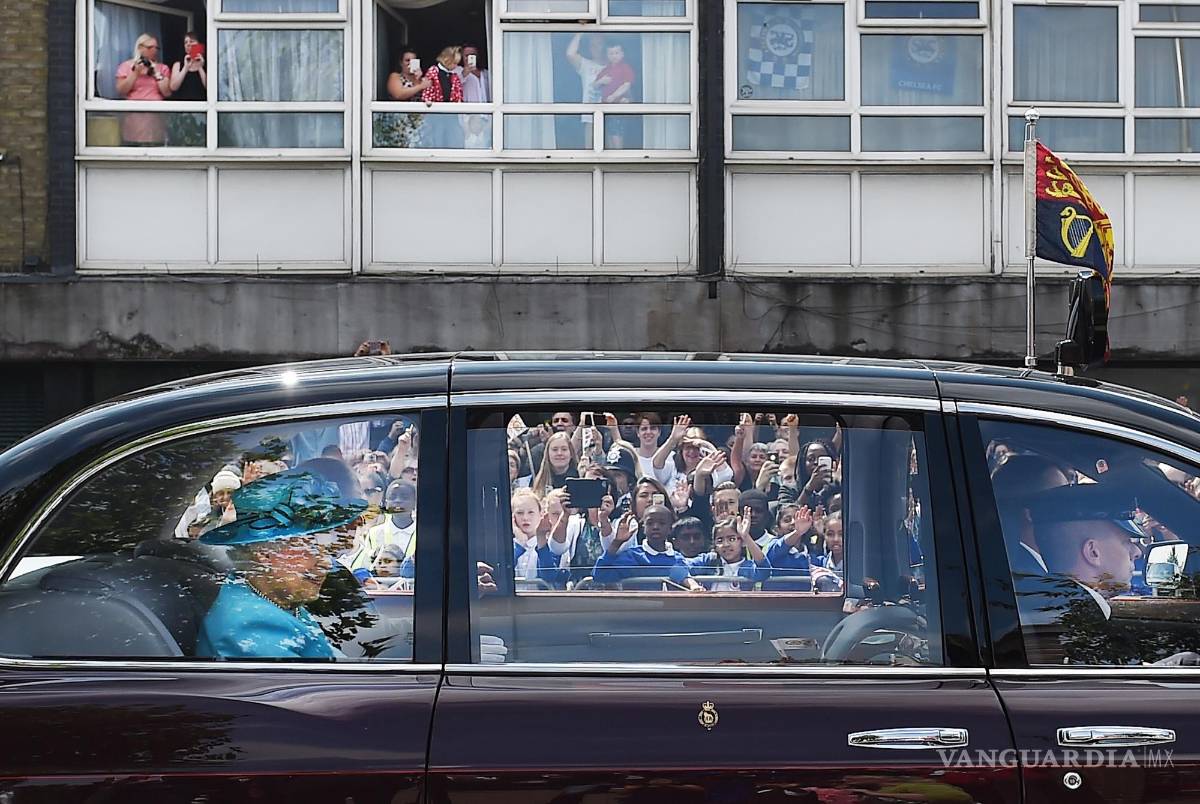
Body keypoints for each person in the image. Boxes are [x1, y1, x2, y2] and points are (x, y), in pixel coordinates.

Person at [196, 468, 369, 659]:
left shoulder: (275, 597)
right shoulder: (253, 628)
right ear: (264, 552)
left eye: (324, 548)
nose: (326, 563)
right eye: (310, 546)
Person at [1025, 484, 1199, 665]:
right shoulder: (1083, 617)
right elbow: (1125, 689)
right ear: (1093, 552)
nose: (1137, 552)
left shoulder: (1056, 603)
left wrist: (1163, 667)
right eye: (1127, 542)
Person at [593, 505, 703, 591]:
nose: (655, 527)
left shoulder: (676, 558)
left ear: (670, 529)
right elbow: (600, 575)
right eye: (650, 523)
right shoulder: (632, 556)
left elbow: (681, 574)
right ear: (643, 527)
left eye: (661, 523)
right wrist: (616, 543)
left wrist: (693, 585)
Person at [685, 515, 772, 591]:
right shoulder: (709, 561)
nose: (725, 545)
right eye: (720, 540)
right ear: (714, 544)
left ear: (742, 542)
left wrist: (745, 536)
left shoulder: (747, 566)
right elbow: (681, 565)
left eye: (732, 539)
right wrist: (692, 584)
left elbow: (764, 571)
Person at [115, 33, 172, 145]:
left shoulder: (162, 68)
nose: (154, 50)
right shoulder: (126, 66)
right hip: (134, 117)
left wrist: (155, 72)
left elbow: (167, 92)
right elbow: (121, 90)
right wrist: (135, 73)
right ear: (140, 48)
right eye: (150, 47)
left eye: (156, 48)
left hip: (155, 117)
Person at [350, 479, 417, 571]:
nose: (398, 501)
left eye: (404, 497)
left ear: (415, 503)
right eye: (392, 497)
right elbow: (362, 568)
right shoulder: (375, 533)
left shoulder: (424, 534)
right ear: (386, 503)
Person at [566, 32, 605, 142]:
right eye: (592, 45)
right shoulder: (586, 65)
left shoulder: (613, 65)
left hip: (610, 115)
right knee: (590, 149)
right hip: (590, 116)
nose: (596, 48)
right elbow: (570, 54)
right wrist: (580, 32)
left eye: (599, 44)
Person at [596, 39, 636, 147]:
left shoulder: (625, 68)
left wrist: (614, 96)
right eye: (611, 53)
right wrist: (601, 81)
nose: (614, 56)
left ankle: (618, 157)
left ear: (622, 54)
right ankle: (611, 159)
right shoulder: (605, 70)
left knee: (616, 134)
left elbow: (627, 85)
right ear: (607, 55)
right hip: (606, 108)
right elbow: (595, 85)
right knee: (608, 134)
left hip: (618, 106)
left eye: (617, 53)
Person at [531, 431, 578, 497]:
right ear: (548, 454)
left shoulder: (580, 477)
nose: (559, 453)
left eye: (564, 449)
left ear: (571, 454)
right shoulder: (539, 480)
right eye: (555, 449)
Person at [169, 32, 206, 101]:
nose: (188, 44)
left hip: (202, 107)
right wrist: (185, 68)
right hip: (183, 107)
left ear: (200, 45)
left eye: (191, 41)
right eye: (185, 42)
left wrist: (200, 67)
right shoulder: (178, 65)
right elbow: (173, 87)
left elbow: (209, 88)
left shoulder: (208, 64)